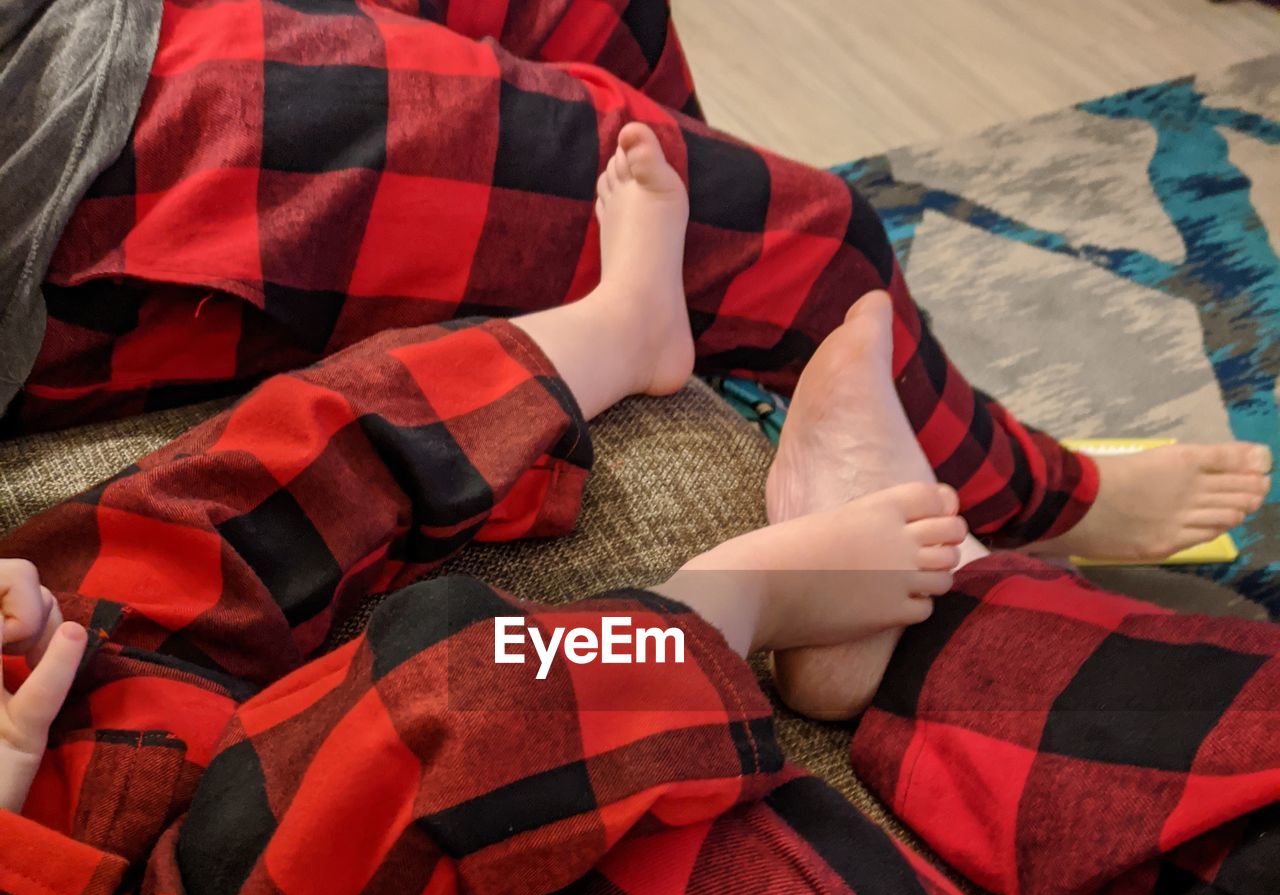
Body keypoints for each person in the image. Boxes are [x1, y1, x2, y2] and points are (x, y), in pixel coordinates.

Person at [0, 130, 1249, 895]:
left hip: (63, 727)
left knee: (234, 477)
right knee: (446, 700)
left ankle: (611, 330)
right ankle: (717, 612)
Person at [4, 0, 1270, 580]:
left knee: (604, 23)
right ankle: (1043, 505)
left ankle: (721, 350)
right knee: (811, 234)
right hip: (57, 145)